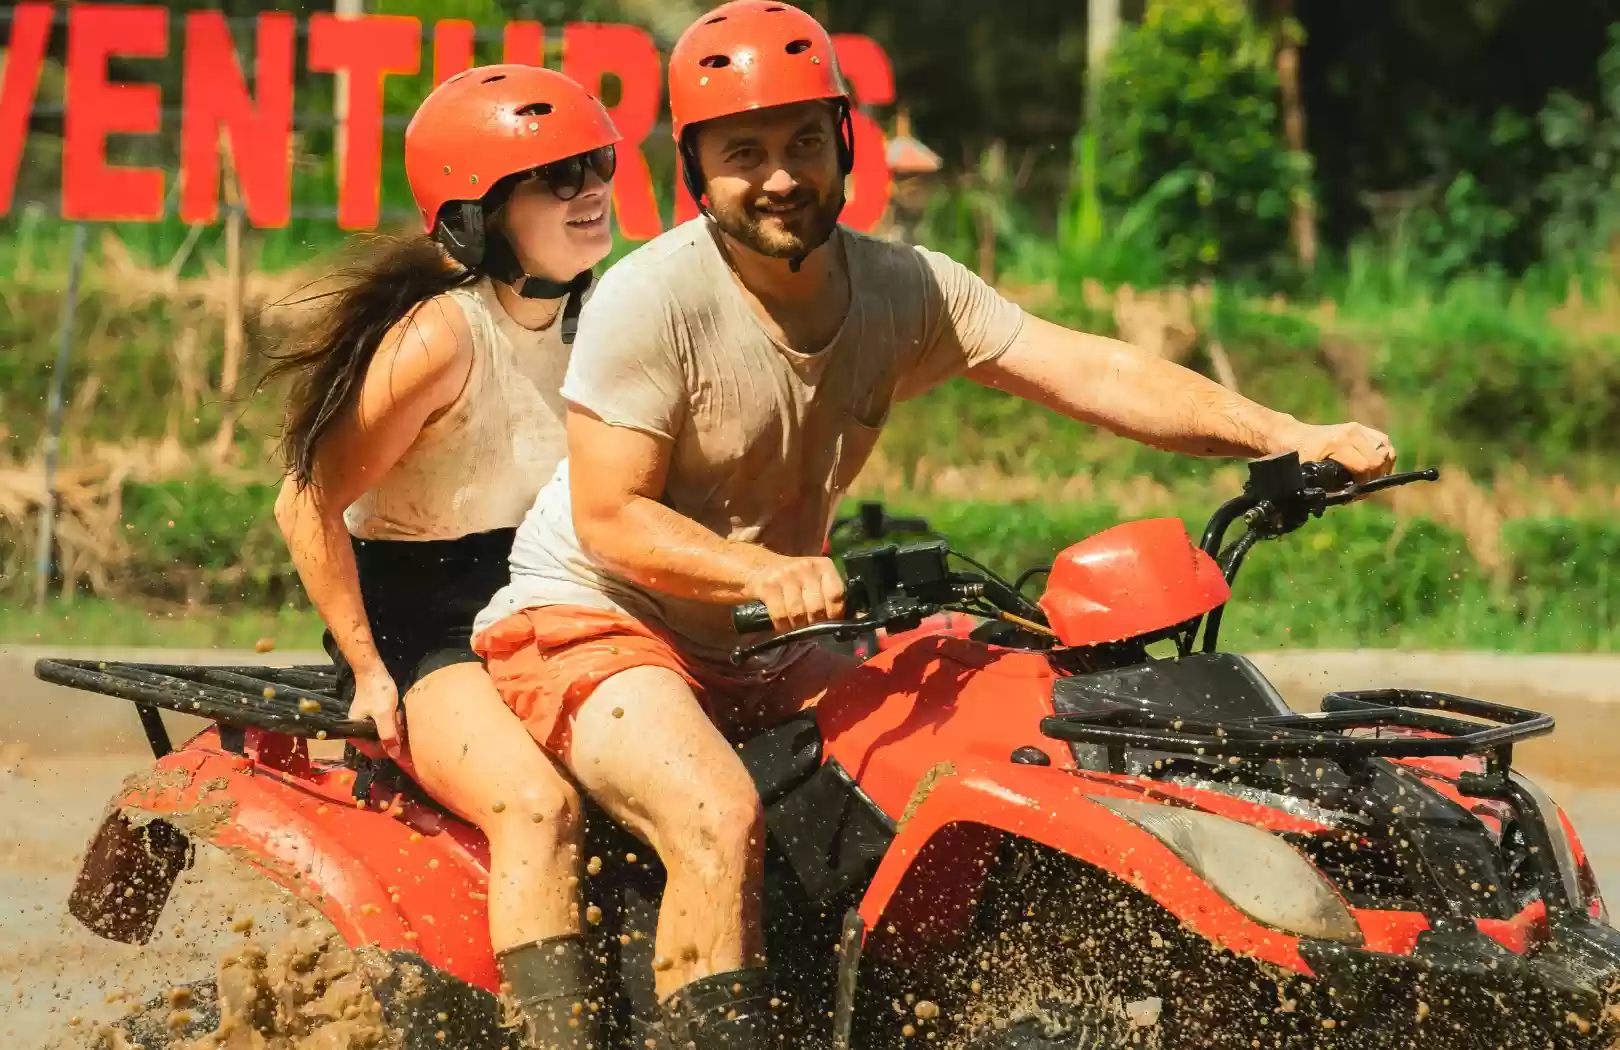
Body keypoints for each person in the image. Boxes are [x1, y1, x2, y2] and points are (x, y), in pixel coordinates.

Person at [470, 2, 1399, 1047]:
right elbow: (610, 518)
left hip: (767, 640)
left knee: (998, 732)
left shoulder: (901, 289)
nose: (782, 176)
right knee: (714, 818)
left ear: (845, 144)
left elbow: (1089, 367)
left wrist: (1284, 432)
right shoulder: (655, 299)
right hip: (598, 622)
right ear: (694, 166)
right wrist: (760, 572)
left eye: (805, 143)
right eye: (746, 152)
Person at [264, 64, 620, 1050]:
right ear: (477, 215)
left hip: (548, 592)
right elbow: (308, 499)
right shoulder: (441, 339)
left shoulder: (597, 319)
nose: (590, 190)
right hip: (424, 624)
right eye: (557, 177)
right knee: (537, 809)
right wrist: (369, 667)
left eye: (597, 164)